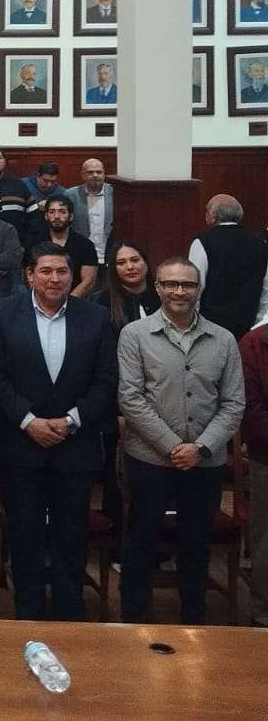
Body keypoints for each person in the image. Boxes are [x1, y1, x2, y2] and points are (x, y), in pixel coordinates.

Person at [0, 245, 117, 621]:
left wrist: (71, 420)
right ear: (29, 275)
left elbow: (106, 382)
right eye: (45, 271)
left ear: (73, 277)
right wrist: (29, 421)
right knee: (24, 534)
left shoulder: (95, 317)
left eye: (62, 271)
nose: (54, 279)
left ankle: (69, 614)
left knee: (71, 535)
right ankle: (27, 611)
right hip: (20, 445)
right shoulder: (3, 313)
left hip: (75, 446)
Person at [118, 257, 245, 624]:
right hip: (150, 459)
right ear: (158, 287)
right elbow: (130, 398)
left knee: (196, 543)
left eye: (188, 285)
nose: (179, 291)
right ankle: (132, 621)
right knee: (141, 540)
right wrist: (173, 446)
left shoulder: (223, 339)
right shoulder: (135, 335)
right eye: (171, 284)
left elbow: (234, 403)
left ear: (199, 290)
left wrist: (200, 448)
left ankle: (194, 622)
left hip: (205, 461)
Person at [186, 194, 268, 339]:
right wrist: (258, 324)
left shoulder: (203, 242)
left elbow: (194, 286)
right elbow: (266, 289)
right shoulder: (259, 244)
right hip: (247, 327)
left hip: (210, 328)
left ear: (213, 216)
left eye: (206, 212)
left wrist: (192, 326)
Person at [239, 314, 268, 628]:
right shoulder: (254, 343)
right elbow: (250, 409)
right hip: (267, 458)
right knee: (266, 543)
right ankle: (263, 617)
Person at [38, 197, 99, 298]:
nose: (56, 216)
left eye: (62, 212)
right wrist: (44, 300)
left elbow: (88, 281)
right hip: (42, 299)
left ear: (71, 216)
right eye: (52, 212)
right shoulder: (35, 243)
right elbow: (30, 276)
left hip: (75, 301)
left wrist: (68, 302)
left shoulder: (85, 245)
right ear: (46, 216)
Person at [65, 158, 114, 265]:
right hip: (80, 255)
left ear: (104, 174)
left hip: (109, 255)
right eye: (90, 172)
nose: (95, 175)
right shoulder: (70, 195)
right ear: (83, 175)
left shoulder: (115, 193)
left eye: (99, 172)